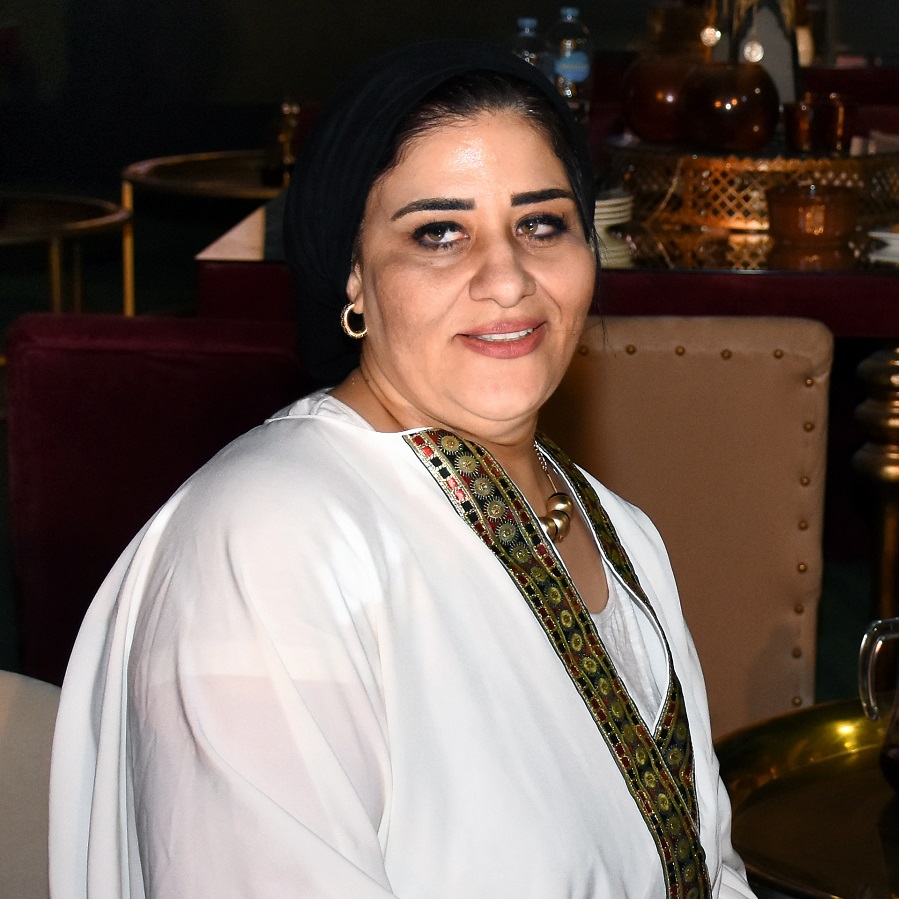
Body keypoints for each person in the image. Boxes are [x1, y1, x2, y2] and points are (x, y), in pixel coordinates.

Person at [49, 40, 756, 899]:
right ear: (352, 274)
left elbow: (711, 872)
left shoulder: (622, 536)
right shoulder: (268, 543)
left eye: (540, 223)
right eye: (438, 233)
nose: (507, 279)